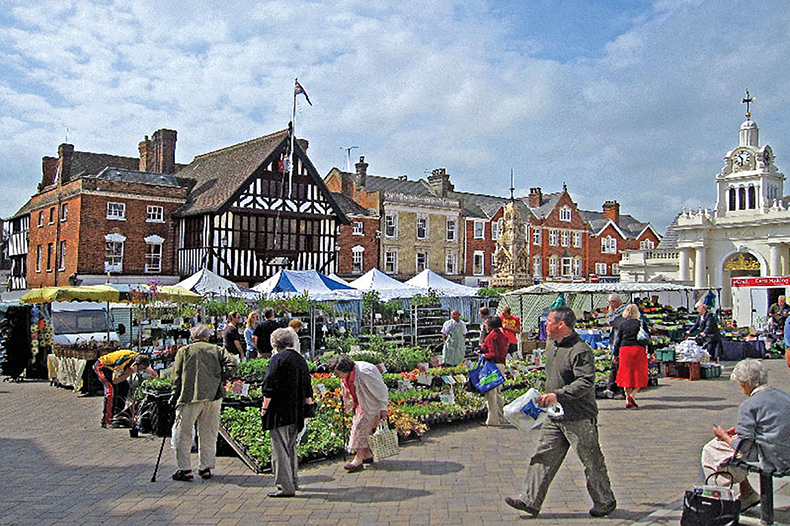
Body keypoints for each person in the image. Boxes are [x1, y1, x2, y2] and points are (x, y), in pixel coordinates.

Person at [505, 306, 616, 518]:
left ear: (561, 325)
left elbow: (586, 381)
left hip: (578, 416)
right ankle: (530, 500)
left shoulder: (580, 350)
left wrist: (558, 394)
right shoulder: (553, 346)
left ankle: (605, 501)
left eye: (548, 321)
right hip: (554, 415)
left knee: (591, 460)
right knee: (544, 456)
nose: (545, 324)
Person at [701, 359, 790, 511]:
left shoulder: (749, 405)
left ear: (747, 383)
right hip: (785, 449)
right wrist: (740, 429)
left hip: (772, 457)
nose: (741, 388)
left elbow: (744, 447)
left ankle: (721, 498)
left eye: (740, 385)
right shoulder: (784, 396)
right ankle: (747, 491)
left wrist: (724, 436)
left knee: (711, 449)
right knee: (731, 446)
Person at [171, 325, 238, 481]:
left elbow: (177, 376)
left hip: (189, 396)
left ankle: (185, 469)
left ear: (193, 337)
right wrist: (221, 377)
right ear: (208, 337)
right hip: (213, 396)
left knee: (184, 433)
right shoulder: (217, 350)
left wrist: (174, 395)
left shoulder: (184, 351)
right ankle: (205, 467)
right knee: (208, 432)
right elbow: (233, 364)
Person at [260, 328, 313, 497]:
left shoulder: (277, 359)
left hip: (279, 411)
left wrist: (264, 408)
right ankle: (294, 481)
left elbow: (269, 386)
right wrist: (308, 409)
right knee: (291, 448)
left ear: (275, 344)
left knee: (280, 450)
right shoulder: (300, 359)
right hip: (296, 410)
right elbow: (308, 388)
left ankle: (285, 487)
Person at [329, 354, 389, 472]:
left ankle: (358, 460)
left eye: (338, 373)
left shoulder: (365, 372)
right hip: (360, 403)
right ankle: (366, 455)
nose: (337, 376)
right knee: (362, 428)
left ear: (345, 369)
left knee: (360, 428)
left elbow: (381, 389)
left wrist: (383, 407)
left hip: (370, 403)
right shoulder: (348, 375)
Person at [94, 350, 157, 427]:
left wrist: (156, 378)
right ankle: (107, 420)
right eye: (140, 369)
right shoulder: (122, 363)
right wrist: (130, 372)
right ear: (135, 364)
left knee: (124, 387)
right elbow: (115, 381)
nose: (141, 371)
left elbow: (150, 371)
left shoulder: (139, 358)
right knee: (111, 390)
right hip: (103, 367)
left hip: (115, 368)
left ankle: (117, 413)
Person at [613, 304, 648, 409]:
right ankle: (632, 394)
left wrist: (615, 354)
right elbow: (648, 339)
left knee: (625, 374)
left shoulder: (622, 325)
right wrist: (651, 352)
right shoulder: (641, 324)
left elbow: (617, 340)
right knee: (639, 373)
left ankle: (627, 399)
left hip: (625, 350)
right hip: (638, 350)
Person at [478, 316, 509, 426]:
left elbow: (493, 354)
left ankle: (492, 420)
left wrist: (483, 355)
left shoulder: (492, 336)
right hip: (501, 365)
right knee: (498, 393)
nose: (485, 326)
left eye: (486, 324)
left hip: (493, 367)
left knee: (491, 393)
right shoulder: (502, 336)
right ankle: (501, 417)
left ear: (490, 326)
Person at [603, 294, 626, 399]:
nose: (610, 305)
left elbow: (611, 321)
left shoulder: (622, 311)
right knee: (614, 366)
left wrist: (610, 311)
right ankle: (611, 388)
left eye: (610, 303)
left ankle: (621, 389)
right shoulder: (621, 310)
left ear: (614, 302)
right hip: (616, 342)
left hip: (620, 342)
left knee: (618, 366)